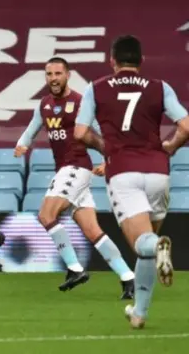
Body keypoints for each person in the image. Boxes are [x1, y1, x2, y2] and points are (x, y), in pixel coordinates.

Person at [74, 35, 189, 328]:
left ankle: (159, 246)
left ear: (112, 61)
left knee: (144, 244)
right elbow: (186, 126)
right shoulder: (160, 87)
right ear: (142, 61)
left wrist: (105, 147)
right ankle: (139, 313)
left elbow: (80, 132)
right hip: (158, 173)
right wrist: (171, 147)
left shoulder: (96, 88)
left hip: (124, 172)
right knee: (147, 243)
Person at [15, 57, 135, 298]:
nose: (53, 78)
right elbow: (33, 126)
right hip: (67, 169)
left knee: (46, 215)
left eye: (58, 73)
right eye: (49, 74)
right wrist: (22, 143)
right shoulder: (45, 104)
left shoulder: (81, 102)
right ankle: (127, 277)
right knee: (93, 231)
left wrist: (109, 160)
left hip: (76, 166)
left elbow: (102, 134)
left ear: (67, 75)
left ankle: (74, 268)